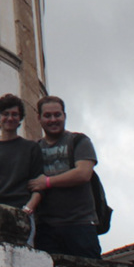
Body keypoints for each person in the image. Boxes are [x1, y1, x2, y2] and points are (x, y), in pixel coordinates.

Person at [27, 95, 101, 257]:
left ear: (64, 116)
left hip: (80, 225)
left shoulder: (79, 141)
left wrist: (47, 182)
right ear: (39, 118)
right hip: (46, 229)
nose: (53, 120)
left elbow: (83, 173)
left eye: (57, 115)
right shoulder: (34, 149)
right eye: (47, 116)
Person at [0, 93, 46, 225]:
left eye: (14, 114)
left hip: (21, 214)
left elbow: (38, 187)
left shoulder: (31, 148)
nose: (10, 118)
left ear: (20, 118)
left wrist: (27, 210)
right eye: (5, 114)